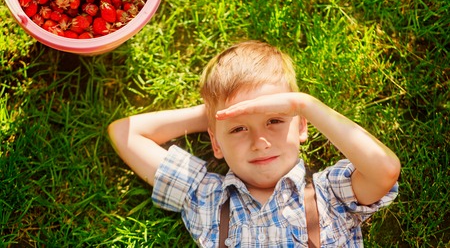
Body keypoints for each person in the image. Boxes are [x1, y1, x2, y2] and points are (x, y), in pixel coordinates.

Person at [108, 40, 400, 247]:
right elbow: (126, 133)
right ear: (216, 144)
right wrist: (216, 113)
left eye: (274, 121)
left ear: (301, 125)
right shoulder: (206, 198)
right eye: (238, 129)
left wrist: (306, 104)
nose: (260, 143)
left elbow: (384, 170)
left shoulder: (329, 193)